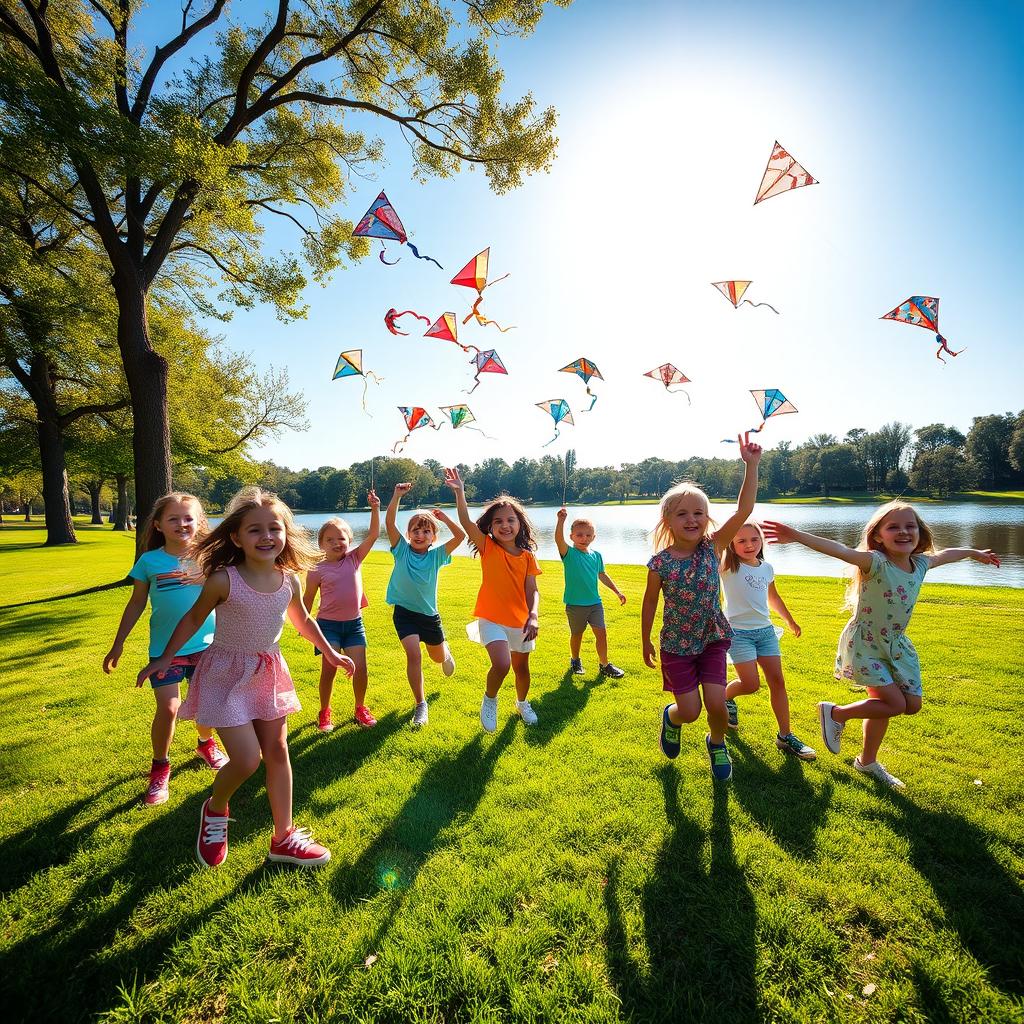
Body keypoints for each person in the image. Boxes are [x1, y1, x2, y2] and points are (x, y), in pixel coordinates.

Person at [136, 488, 354, 869]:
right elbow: (191, 619)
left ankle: (284, 838)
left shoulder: (290, 581)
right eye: (255, 530)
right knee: (247, 760)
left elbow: (303, 620)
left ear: (286, 533)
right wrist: (166, 657)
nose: (266, 536)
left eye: (275, 528)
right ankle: (216, 809)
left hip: (268, 672)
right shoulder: (224, 579)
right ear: (236, 537)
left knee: (278, 752)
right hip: (225, 673)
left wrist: (331, 652)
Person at [763, 503, 999, 788]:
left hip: (896, 645)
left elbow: (947, 554)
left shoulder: (921, 563)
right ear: (878, 536)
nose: (903, 532)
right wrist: (797, 535)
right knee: (892, 703)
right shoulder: (875, 562)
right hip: (867, 644)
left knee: (908, 705)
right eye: (893, 527)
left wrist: (975, 553)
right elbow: (839, 550)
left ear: (919, 532)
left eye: (909, 526)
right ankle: (836, 714)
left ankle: (866, 762)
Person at [641, 435, 761, 780]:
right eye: (682, 514)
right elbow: (650, 602)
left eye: (698, 513)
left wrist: (750, 466)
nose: (691, 519)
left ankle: (717, 742)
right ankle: (672, 718)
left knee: (717, 703)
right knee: (690, 710)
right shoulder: (659, 563)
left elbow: (744, 510)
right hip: (676, 645)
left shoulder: (714, 547)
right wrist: (645, 639)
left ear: (707, 519)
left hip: (712, 638)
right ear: (668, 522)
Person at [104, 492, 228, 806]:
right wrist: (118, 645)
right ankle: (160, 767)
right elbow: (135, 604)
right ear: (158, 524)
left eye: (189, 518)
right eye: (173, 518)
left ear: (199, 521)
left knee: (207, 704)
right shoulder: (149, 561)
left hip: (208, 646)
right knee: (169, 708)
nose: (182, 524)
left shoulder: (209, 556)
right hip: (164, 650)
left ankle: (205, 743)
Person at [444, 467, 541, 732]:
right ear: (490, 527)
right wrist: (460, 492)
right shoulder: (488, 547)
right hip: (491, 618)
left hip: (520, 621)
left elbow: (532, 590)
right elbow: (465, 522)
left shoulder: (527, 557)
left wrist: (533, 615)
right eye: (498, 521)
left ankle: (522, 703)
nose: (505, 525)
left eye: (510, 520)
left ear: (519, 524)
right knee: (502, 663)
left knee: (522, 668)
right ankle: (490, 699)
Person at [720, 522, 815, 759]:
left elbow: (773, 598)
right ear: (731, 544)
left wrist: (791, 621)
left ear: (761, 541)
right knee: (751, 684)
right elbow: (714, 542)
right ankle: (726, 697)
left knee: (777, 682)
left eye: (754, 539)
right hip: (738, 634)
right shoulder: (727, 566)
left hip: (766, 633)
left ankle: (785, 736)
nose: (749, 545)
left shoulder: (767, 568)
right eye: (741, 541)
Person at [384, 482, 465, 728]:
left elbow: (461, 536)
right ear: (409, 535)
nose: (420, 535)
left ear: (433, 537)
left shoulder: (437, 555)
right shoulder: (401, 551)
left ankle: (445, 650)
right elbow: (389, 523)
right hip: (404, 614)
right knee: (414, 655)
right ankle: (421, 705)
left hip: (429, 616)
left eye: (426, 531)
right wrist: (396, 495)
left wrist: (445, 518)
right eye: (415, 531)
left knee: (437, 657)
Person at [303, 492, 380, 733]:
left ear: (349, 540)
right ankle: (324, 711)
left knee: (360, 668)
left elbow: (374, 534)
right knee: (329, 670)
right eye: (330, 540)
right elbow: (306, 600)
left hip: (355, 625)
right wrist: (305, 628)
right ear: (321, 544)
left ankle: (360, 708)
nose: (337, 543)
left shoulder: (354, 558)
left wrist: (375, 508)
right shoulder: (316, 569)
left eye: (342, 538)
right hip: (328, 627)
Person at [554, 508, 626, 678]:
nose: (584, 538)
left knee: (601, 633)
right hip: (575, 604)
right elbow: (558, 539)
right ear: (571, 536)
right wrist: (561, 521)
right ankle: (575, 660)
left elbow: (602, 574)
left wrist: (617, 592)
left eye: (588, 535)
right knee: (577, 635)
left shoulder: (596, 555)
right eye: (579, 535)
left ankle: (604, 664)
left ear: (593, 537)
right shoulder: (569, 553)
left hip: (595, 603)